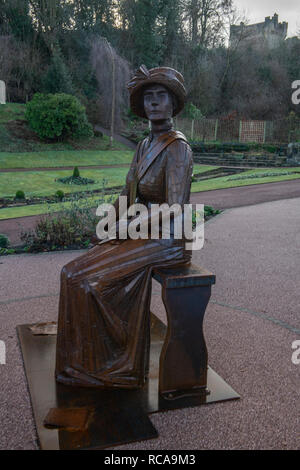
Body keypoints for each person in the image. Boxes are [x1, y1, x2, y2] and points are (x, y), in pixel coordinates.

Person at [55, 65, 193, 389]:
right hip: (141, 230)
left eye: (161, 97)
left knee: (91, 281)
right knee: (70, 273)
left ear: (173, 104)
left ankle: (115, 366)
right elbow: (126, 193)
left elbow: (174, 207)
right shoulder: (145, 146)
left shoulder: (178, 148)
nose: (154, 103)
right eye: (148, 98)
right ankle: (84, 360)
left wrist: (126, 230)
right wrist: (108, 223)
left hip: (167, 238)